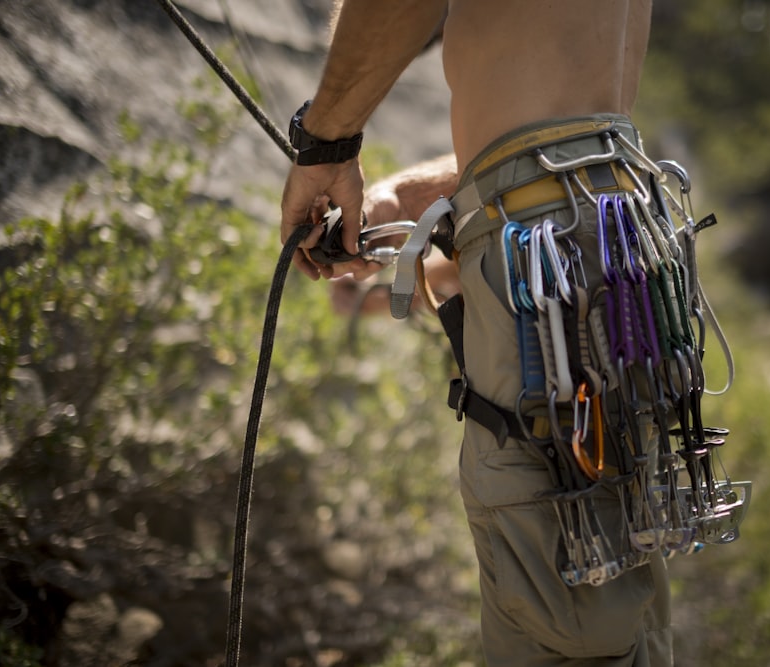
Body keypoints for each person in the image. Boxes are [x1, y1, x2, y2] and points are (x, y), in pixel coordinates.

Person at [280, 1, 673, 665]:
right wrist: (412, 202)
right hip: (617, 218)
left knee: (567, 622)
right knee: (614, 595)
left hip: (564, 226)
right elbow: (565, 130)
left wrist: (326, 143)